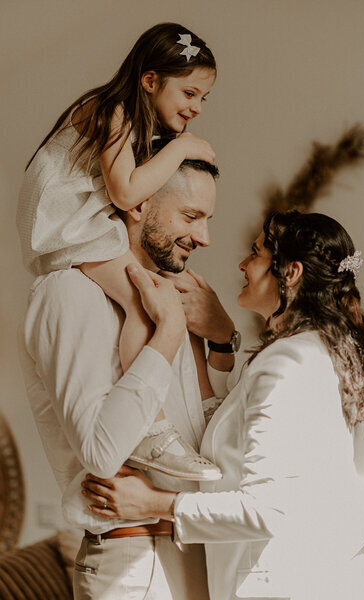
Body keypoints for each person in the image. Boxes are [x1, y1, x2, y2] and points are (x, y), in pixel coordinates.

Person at [82, 210, 364, 600]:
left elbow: (267, 508)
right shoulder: (313, 353)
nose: (242, 264)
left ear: (290, 273)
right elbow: (239, 425)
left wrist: (152, 503)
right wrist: (224, 338)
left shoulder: (291, 364)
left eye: (256, 253)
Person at [19, 155, 238, 599]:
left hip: (198, 552)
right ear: (138, 204)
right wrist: (170, 334)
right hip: (132, 565)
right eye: (191, 216)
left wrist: (222, 335)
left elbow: (209, 441)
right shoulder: (69, 294)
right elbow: (101, 451)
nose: (204, 237)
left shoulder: (171, 297)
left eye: (208, 219)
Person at [17, 21, 219, 479]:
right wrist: (183, 147)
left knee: (144, 300)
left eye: (203, 98)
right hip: (67, 229)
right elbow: (127, 192)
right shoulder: (113, 110)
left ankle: (154, 429)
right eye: (189, 93)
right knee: (142, 306)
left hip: (77, 227)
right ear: (150, 80)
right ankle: (152, 430)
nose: (196, 107)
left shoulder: (127, 118)